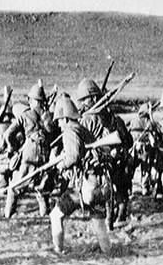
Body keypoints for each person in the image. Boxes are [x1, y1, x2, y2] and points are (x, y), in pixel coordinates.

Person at [49, 96, 112, 254]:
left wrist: (59, 165)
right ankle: (108, 253)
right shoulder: (82, 129)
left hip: (83, 187)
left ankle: (58, 251)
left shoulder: (70, 131)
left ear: (64, 118)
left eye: (59, 120)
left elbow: (74, 156)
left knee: (55, 215)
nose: (58, 124)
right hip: (100, 183)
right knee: (99, 223)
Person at [76, 78, 133, 223]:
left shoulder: (87, 119)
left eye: (84, 100)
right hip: (113, 165)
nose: (82, 104)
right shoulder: (114, 119)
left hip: (96, 167)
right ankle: (115, 221)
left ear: (93, 99)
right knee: (113, 198)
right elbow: (128, 141)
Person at [3, 84, 56, 219]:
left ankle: (8, 215)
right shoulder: (49, 116)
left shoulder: (25, 115)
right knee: (43, 187)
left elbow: (8, 134)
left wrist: (13, 148)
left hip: (30, 152)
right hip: (46, 153)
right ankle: (44, 214)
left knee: (15, 186)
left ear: (31, 100)